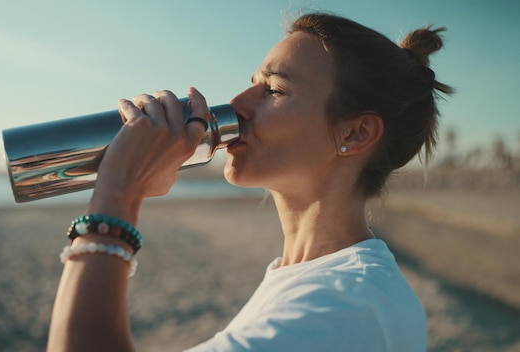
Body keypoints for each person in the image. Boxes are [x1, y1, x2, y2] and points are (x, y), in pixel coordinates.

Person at [46, 12, 453, 352]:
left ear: (355, 133)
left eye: (273, 90)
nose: (238, 104)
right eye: (252, 83)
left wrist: (118, 193)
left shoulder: (347, 307)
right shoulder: (314, 280)